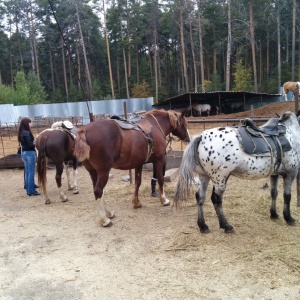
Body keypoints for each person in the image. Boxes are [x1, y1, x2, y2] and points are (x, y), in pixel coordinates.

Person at [18, 117, 40, 196]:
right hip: (30, 153)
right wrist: (37, 141)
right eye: (30, 123)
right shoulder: (27, 133)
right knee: (31, 172)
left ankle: (28, 188)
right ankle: (31, 191)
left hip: (24, 153)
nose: (31, 124)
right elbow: (31, 145)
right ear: (27, 123)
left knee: (27, 172)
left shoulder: (21, 132)